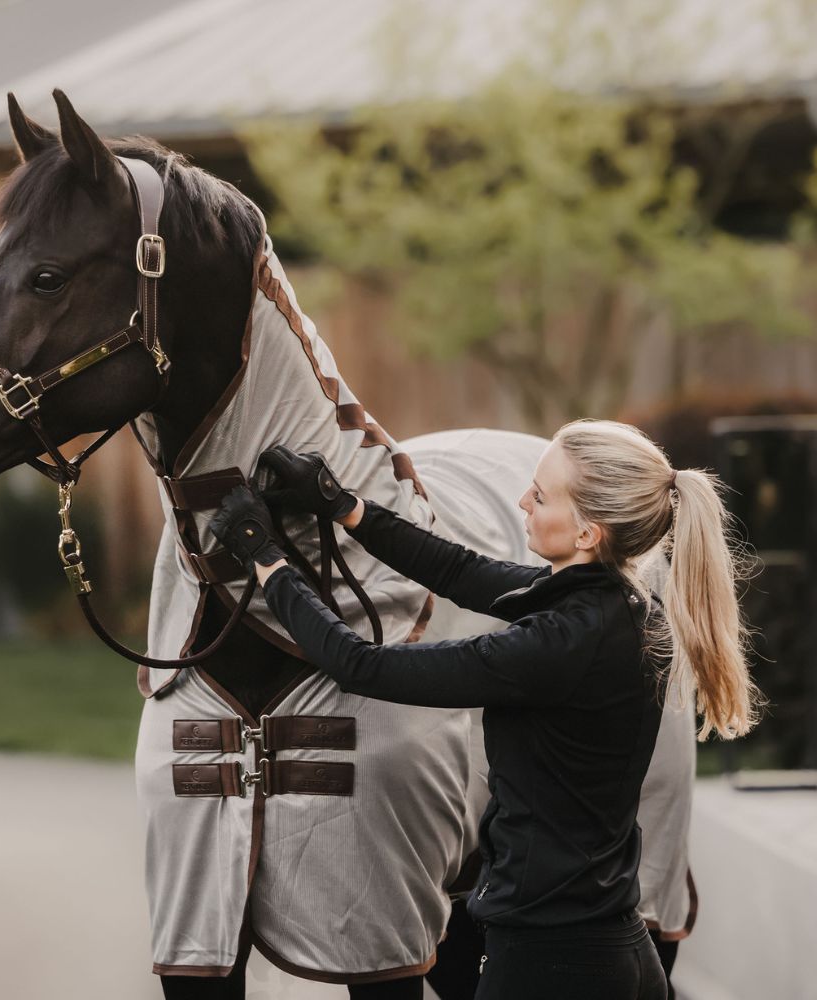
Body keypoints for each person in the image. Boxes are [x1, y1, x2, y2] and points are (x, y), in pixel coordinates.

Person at [209, 419, 760, 1000]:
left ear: (587, 533)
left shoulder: (558, 644)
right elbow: (458, 571)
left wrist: (267, 562)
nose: (523, 500)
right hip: (607, 948)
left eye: (541, 497)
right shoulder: (614, 603)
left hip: (551, 965)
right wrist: (344, 506)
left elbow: (359, 665)